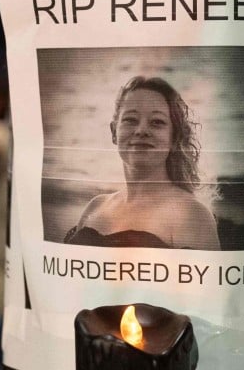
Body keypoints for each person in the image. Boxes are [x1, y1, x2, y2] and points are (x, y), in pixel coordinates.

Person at [65, 75, 220, 250]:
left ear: (174, 138)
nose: (141, 130)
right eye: (131, 120)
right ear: (114, 132)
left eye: (157, 122)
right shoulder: (95, 207)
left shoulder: (192, 215)